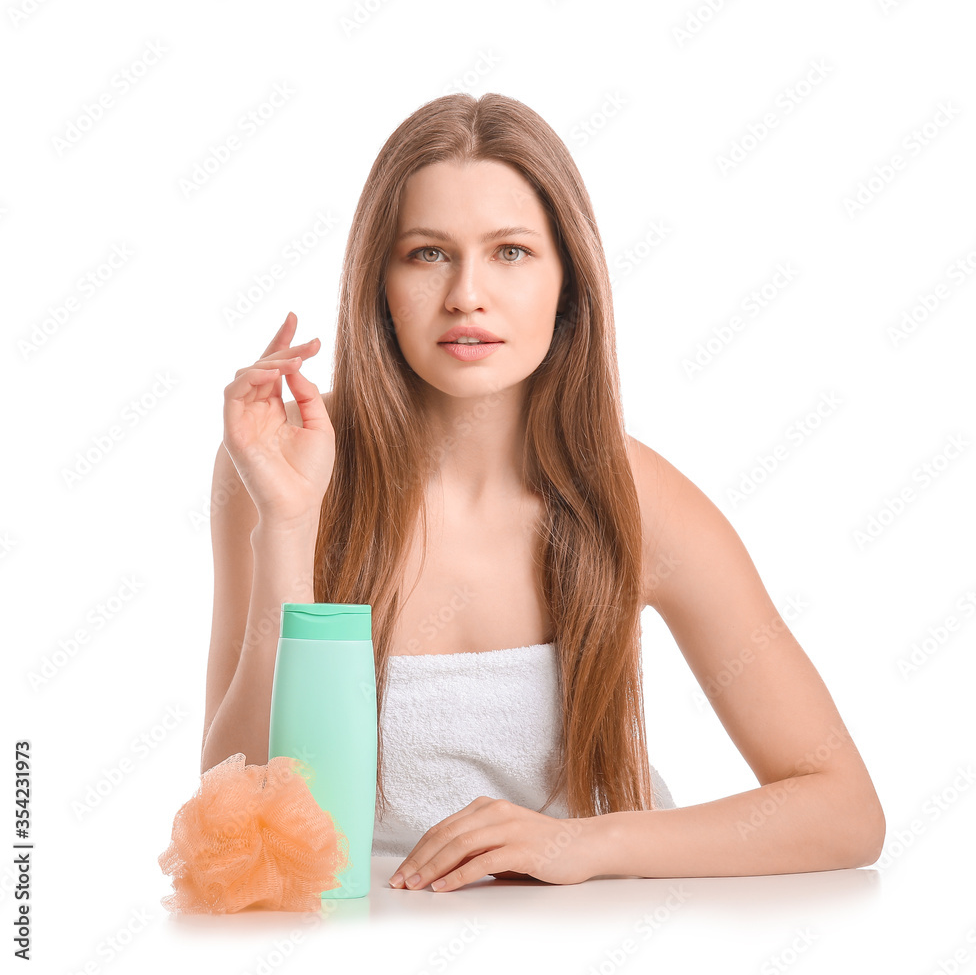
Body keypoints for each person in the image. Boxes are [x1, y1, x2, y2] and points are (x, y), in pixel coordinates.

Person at [200, 93, 885, 892]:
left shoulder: (638, 497)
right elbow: (232, 817)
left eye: (512, 252)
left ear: (569, 281)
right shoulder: (284, 466)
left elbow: (844, 810)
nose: (466, 294)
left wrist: (585, 845)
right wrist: (286, 523)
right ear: (376, 283)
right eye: (426, 253)